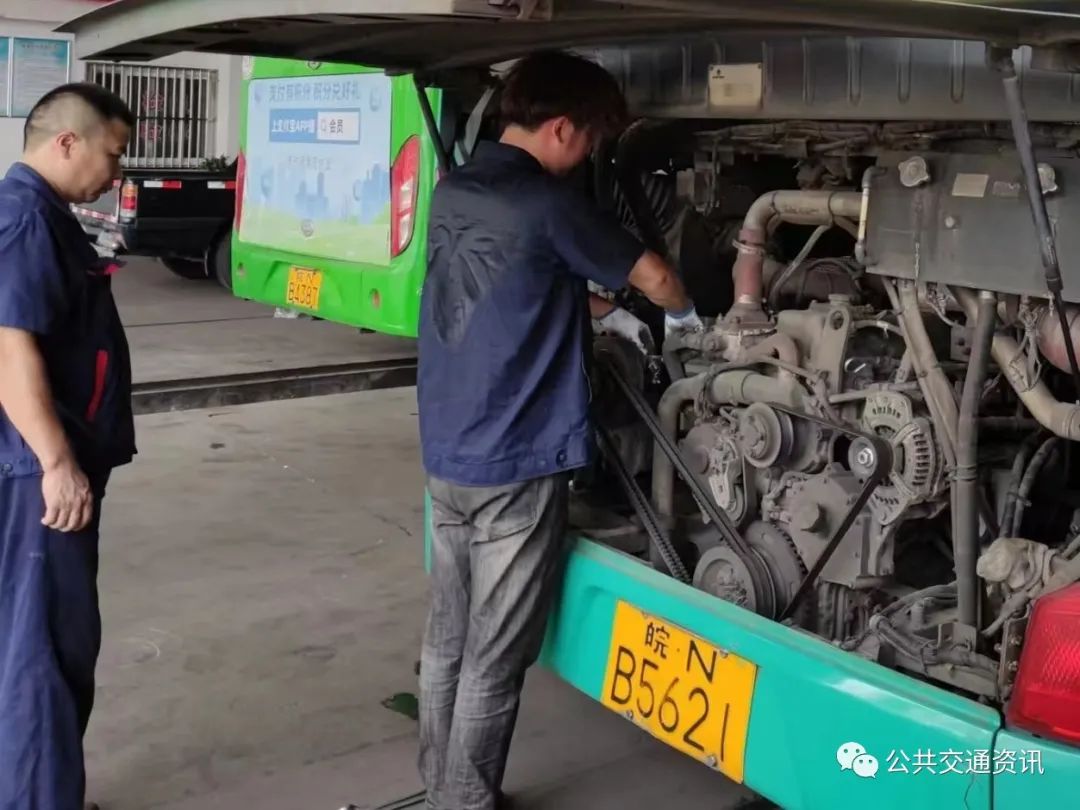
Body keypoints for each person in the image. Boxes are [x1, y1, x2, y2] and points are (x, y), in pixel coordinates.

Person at [415, 51, 703, 810]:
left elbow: (518, 282)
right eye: (593, 139)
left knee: (447, 638)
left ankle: (439, 786)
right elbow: (656, 277)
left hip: (447, 447)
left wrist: (612, 318)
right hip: (515, 462)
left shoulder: (458, 188)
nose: (590, 154)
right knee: (494, 657)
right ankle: (464, 802)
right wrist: (687, 320)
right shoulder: (548, 202)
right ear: (564, 128)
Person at [0, 83, 137, 810]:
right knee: (47, 648)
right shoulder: (27, 218)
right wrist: (57, 464)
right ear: (66, 143)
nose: (116, 173)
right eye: (112, 155)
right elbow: (7, 346)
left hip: (30, 464)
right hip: (37, 473)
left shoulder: (38, 214)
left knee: (32, 640)